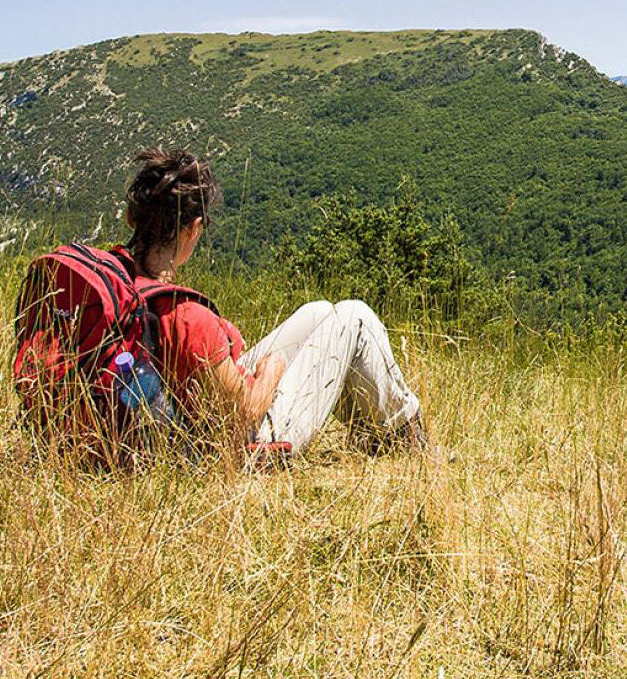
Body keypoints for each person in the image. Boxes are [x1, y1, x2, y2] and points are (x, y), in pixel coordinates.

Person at [116, 147, 425, 458]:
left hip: (187, 415)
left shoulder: (122, 281)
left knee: (317, 312)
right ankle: (405, 439)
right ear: (192, 228)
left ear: (132, 218)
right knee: (355, 317)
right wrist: (271, 372)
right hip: (247, 443)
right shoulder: (186, 316)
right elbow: (244, 413)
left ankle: (374, 427)